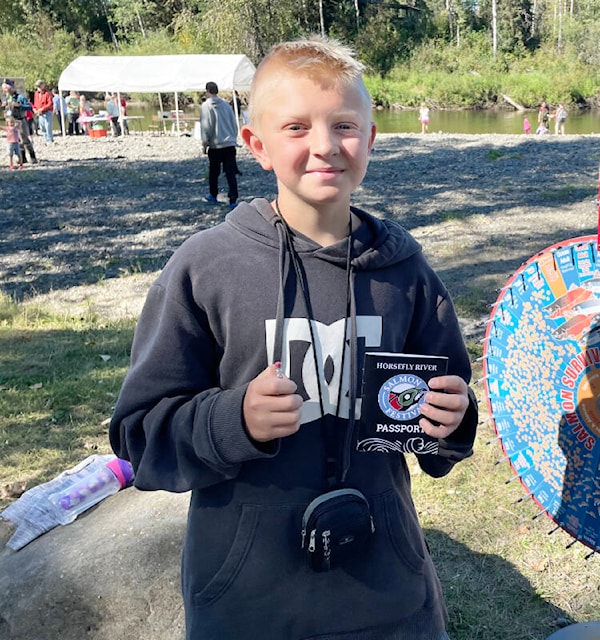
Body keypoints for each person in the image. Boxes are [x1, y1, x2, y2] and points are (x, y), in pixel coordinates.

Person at [109, 35, 478, 640]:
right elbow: (138, 436)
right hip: (247, 599)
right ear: (255, 145)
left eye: (344, 126)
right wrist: (235, 421)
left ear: (372, 139)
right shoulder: (206, 268)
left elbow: (446, 427)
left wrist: (451, 420)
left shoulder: (406, 271)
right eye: (296, 127)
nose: (325, 146)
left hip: (389, 596)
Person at [200, 81, 240, 208]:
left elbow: (206, 127)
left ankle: (213, 194)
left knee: (214, 172)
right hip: (229, 144)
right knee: (230, 173)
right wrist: (233, 138)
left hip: (215, 145)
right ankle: (233, 199)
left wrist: (205, 144)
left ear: (207, 91)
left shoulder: (206, 106)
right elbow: (234, 124)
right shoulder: (227, 106)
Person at [1, 79, 37, 164]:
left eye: (6, 89)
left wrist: (19, 105)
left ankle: (33, 157)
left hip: (20, 120)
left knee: (25, 140)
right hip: (11, 122)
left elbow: (29, 107)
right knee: (17, 140)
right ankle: (22, 157)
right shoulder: (7, 98)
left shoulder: (20, 97)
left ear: (11, 88)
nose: (5, 91)